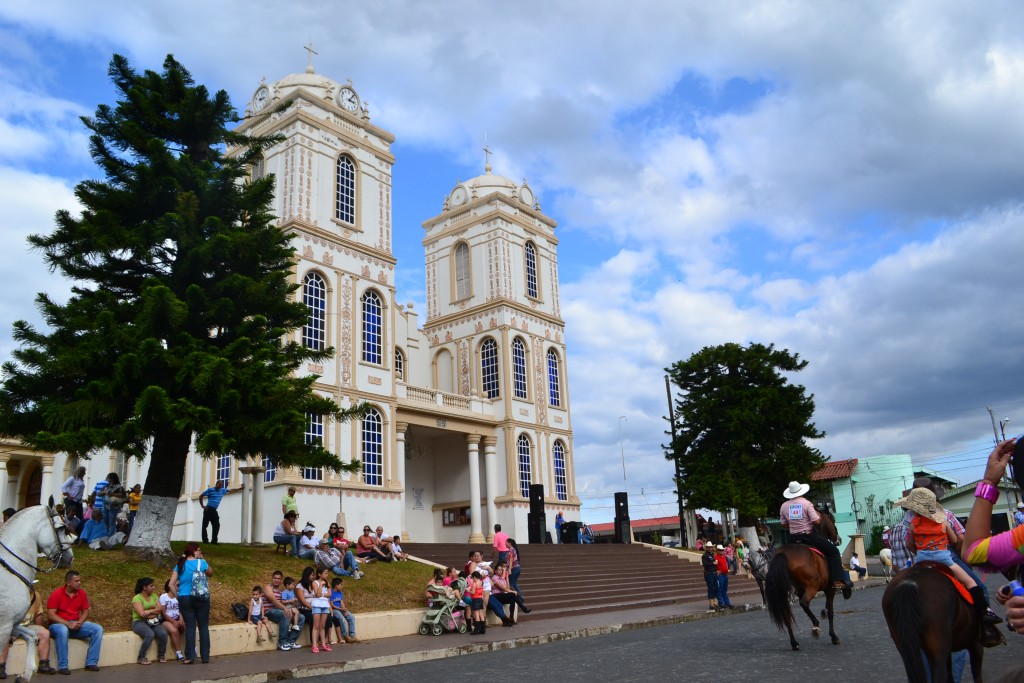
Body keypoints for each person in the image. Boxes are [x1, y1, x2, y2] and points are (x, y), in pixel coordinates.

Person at [901, 487, 995, 624]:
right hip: (944, 559)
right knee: (971, 582)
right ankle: (985, 613)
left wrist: (922, 550)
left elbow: (910, 544)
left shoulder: (912, 525)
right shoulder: (944, 520)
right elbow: (956, 540)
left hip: (921, 560)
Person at [779, 480, 853, 596]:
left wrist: (793, 524)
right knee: (834, 551)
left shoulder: (784, 506)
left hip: (793, 538)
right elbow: (817, 521)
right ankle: (837, 580)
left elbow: (783, 523)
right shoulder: (806, 504)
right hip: (808, 535)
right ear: (801, 491)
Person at [47, 570, 103, 674]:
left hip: (75, 624)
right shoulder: (57, 593)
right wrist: (67, 623)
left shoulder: (82, 593)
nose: (79, 583)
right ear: (68, 582)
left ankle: (91, 663)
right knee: (63, 630)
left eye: (80, 580)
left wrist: (80, 622)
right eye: (76, 581)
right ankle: (63, 666)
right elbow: (51, 614)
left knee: (97, 629)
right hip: (58, 625)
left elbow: (85, 612)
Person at [170, 542, 213, 664]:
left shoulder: (180, 564)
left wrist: (179, 596)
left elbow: (171, 584)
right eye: (199, 550)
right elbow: (210, 573)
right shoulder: (201, 563)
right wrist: (202, 559)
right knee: (203, 626)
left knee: (190, 627)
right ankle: (205, 657)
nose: (200, 552)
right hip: (201, 597)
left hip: (185, 597)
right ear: (194, 551)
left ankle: (189, 657)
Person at [0, 592, 55, 677]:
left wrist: (39, 627)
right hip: (13, 626)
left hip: (28, 626)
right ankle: (1, 666)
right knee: (5, 636)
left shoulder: (36, 595)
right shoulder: (11, 594)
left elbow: (38, 616)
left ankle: (44, 664)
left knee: (45, 633)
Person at [263, 571, 304, 650]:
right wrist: (285, 608)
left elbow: (285, 603)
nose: (276, 580)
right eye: (275, 578)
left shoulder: (281, 591)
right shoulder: (268, 587)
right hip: (270, 611)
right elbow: (273, 600)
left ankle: (291, 641)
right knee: (284, 614)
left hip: (279, 610)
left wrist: (293, 605)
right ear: (272, 578)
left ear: (281, 580)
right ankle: (282, 642)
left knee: (301, 617)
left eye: (279, 579)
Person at [131, 576, 169, 665]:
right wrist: (154, 611)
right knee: (150, 634)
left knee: (163, 633)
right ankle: (141, 657)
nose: (154, 587)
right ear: (144, 587)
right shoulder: (137, 598)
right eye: (151, 586)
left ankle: (161, 655)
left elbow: (160, 609)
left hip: (153, 621)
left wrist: (150, 611)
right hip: (139, 622)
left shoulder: (154, 596)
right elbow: (142, 614)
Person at [159, 580, 186, 662]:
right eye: (178, 585)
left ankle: (191, 649)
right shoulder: (164, 597)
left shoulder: (179, 596)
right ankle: (178, 652)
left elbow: (182, 610)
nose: (179, 587)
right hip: (166, 619)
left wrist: (181, 620)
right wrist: (173, 622)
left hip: (178, 618)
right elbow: (163, 612)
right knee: (174, 630)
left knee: (188, 628)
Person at [307, 566, 332, 653]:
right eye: (325, 573)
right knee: (316, 626)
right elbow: (317, 594)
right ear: (319, 574)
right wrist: (321, 586)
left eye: (327, 573)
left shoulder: (327, 583)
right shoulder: (315, 582)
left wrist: (323, 595)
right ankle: (314, 644)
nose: (327, 575)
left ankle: (323, 644)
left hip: (325, 604)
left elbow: (329, 594)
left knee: (323, 626)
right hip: (317, 604)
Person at [199, 479, 230, 545]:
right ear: (216, 484)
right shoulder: (210, 490)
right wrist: (202, 505)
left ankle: (214, 541)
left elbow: (231, 490)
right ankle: (205, 541)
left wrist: (240, 488)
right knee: (205, 525)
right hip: (208, 509)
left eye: (221, 485)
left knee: (217, 525)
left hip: (214, 510)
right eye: (219, 485)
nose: (220, 486)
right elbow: (201, 496)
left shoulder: (222, 490)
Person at [330, 577, 358, 643]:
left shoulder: (340, 593)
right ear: (336, 585)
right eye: (341, 585)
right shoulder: (331, 593)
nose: (342, 586)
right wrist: (340, 609)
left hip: (341, 609)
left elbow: (341, 602)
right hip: (335, 609)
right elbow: (331, 605)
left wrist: (344, 610)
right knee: (341, 618)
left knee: (351, 617)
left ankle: (352, 635)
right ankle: (345, 636)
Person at [101, 472, 126, 538]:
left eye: (108, 477)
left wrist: (113, 494)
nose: (107, 479)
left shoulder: (118, 486)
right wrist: (104, 492)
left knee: (111, 522)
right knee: (105, 520)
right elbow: (99, 493)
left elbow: (123, 495)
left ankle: (110, 536)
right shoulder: (106, 486)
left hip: (113, 506)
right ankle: (105, 535)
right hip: (105, 505)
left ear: (112, 478)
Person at [701, 542, 718, 611]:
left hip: (714, 572)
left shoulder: (712, 554)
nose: (710, 548)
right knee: (711, 587)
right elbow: (705, 564)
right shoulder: (705, 555)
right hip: (709, 573)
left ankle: (715, 602)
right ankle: (711, 603)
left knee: (715, 587)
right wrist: (712, 563)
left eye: (711, 547)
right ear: (706, 548)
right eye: (709, 547)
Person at [468, 570, 486, 635]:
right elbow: (482, 591)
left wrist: (467, 590)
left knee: (476, 614)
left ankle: (477, 630)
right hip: (480, 599)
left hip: (475, 599)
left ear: (475, 577)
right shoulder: (481, 582)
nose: (472, 579)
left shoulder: (475, 584)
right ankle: (483, 629)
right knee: (481, 614)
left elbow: (472, 592)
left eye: (472, 578)